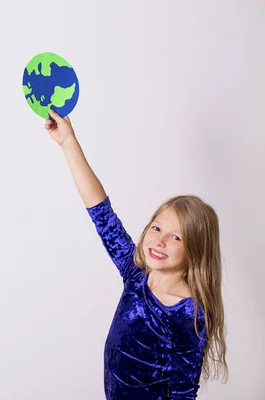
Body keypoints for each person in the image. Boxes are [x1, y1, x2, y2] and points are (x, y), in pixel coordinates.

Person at [45, 109, 228, 399]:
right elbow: (101, 212)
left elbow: (183, 393)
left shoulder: (187, 314)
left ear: (196, 251)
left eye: (176, 236)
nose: (160, 241)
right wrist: (69, 143)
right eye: (156, 228)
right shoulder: (136, 275)